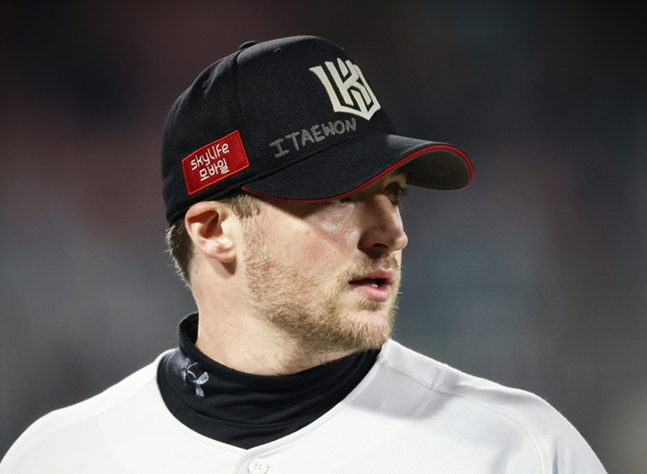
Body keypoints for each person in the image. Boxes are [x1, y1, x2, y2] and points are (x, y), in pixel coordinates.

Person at [0, 35, 607, 473]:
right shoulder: (55, 459)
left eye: (393, 194)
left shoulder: (519, 450)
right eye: (340, 196)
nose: (392, 233)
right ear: (213, 230)